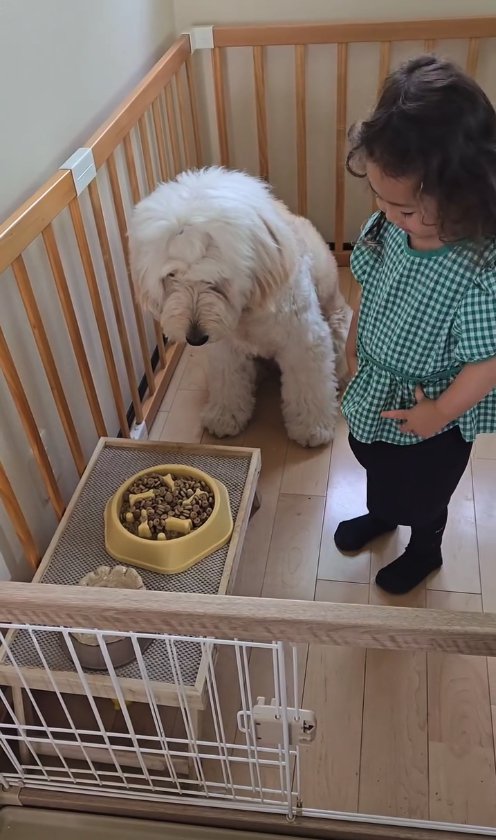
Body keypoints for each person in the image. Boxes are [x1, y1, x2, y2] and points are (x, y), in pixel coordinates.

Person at [336, 54, 496, 595]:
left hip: (432, 408)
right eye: (378, 197)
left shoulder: (479, 268)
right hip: (379, 385)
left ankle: (424, 547)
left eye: (404, 208)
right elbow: (373, 284)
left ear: (463, 191)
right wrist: (354, 335)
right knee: (375, 460)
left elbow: (488, 360)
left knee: (423, 492)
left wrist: (441, 413)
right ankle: (383, 513)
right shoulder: (389, 228)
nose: (386, 212)